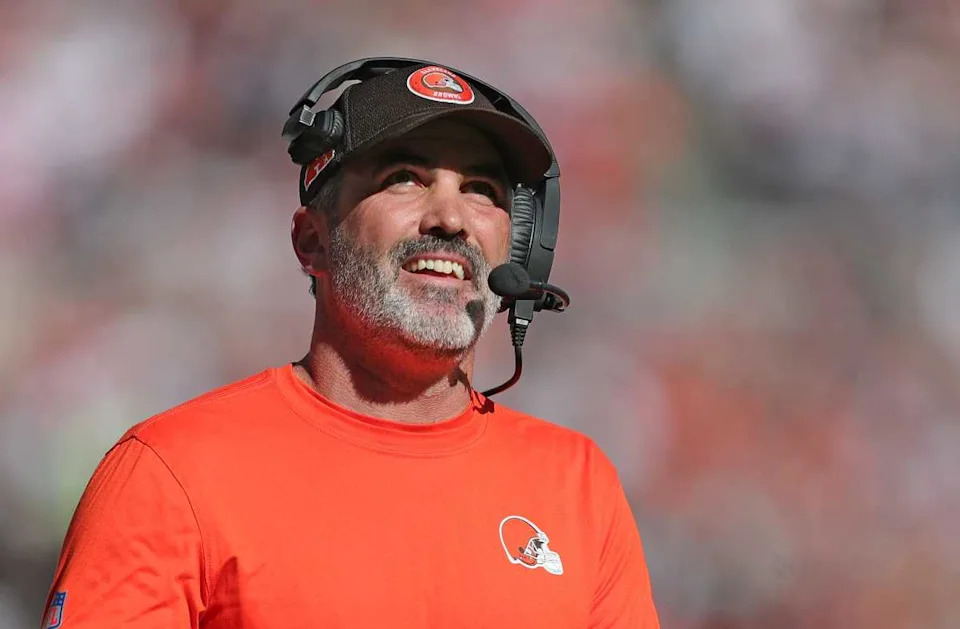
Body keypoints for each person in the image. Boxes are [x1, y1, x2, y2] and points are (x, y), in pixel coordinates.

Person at [41, 59, 660, 628]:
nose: (450, 217)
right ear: (311, 241)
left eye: (482, 190)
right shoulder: (171, 471)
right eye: (404, 179)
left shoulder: (578, 485)